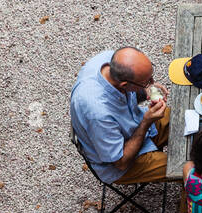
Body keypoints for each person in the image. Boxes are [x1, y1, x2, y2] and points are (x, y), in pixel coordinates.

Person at [70, 46, 175, 189]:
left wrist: (146, 92)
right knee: (187, 170)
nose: (152, 82)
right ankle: (190, 210)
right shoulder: (98, 113)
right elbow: (121, 162)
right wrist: (146, 122)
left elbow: (128, 96)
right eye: (146, 82)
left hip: (133, 124)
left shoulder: (110, 59)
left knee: (183, 118)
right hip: (123, 162)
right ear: (124, 85)